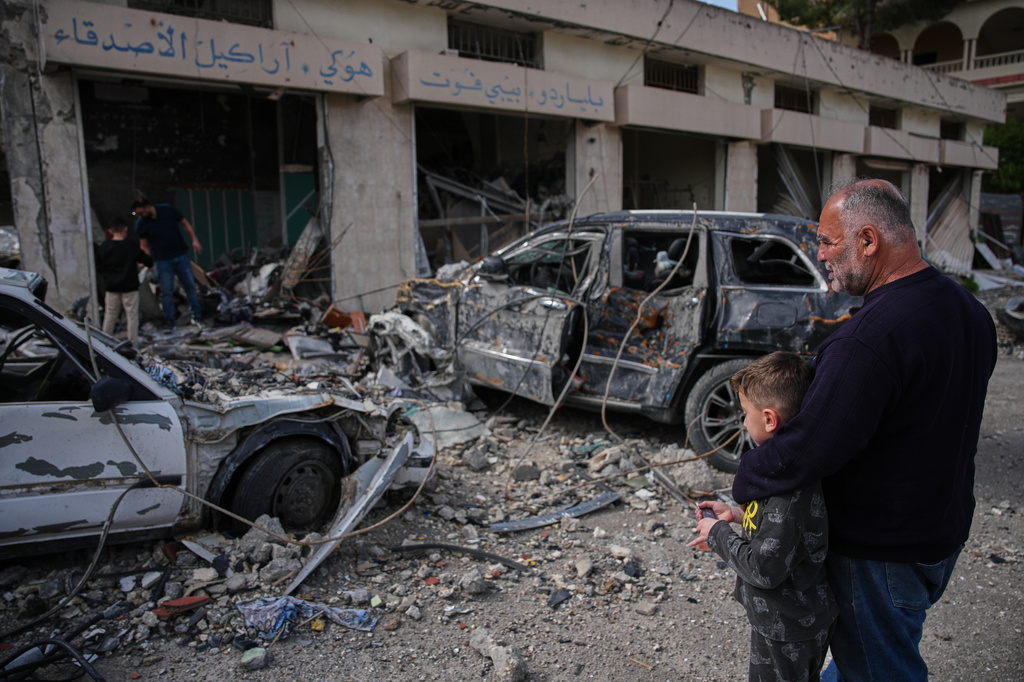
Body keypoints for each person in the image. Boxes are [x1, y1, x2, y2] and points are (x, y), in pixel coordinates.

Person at [731, 179, 997, 681]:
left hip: (881, 555)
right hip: (939, 537)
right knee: (876, 651)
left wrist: (746, 483)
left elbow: (808, 449)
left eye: (828, 242)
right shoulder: (969, 312)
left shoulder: (869, 339)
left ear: (869, 240)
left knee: (882, 669)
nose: (821, 254)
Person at [690, 351, 836, 682]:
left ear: (769, 420)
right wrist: (737, 515)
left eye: (745, 414)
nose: (742, 422)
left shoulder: (788, 486)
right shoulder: (790, 468)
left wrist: (717, 534)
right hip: (794, 620)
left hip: (787, 627)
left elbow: (764, 568)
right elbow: (785, 530)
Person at [131, 196, 204, 331]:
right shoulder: (141, 224)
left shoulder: (168, 210)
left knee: (190, 287)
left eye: (141, 213)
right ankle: (169, 320)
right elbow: (144, 245)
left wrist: (194, 239)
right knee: (166, 291)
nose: (140, 216)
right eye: (137, 214)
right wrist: (147, 262)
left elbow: (184, 223)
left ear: (148, 207)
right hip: (162, 260)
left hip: (180, 254)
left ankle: (197, 316)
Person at [95, 216, 152, 346]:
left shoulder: (105, 247)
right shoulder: (131, 246)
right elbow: (147, 260)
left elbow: (99, 266)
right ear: (125, 229)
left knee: (110, 316)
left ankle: (103, 343)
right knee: (132, 316)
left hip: (112, 287)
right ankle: (132, 343)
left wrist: (107, 278)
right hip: (129, 287)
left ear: (110, 231)